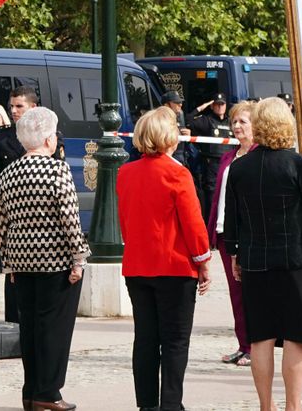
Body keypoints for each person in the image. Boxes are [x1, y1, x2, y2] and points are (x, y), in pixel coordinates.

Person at [222, 97, 302, 411]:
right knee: (295, 337)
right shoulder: (300, 165)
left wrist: (234, 253)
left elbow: (233, 217)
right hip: (297, 262)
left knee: (260, 337)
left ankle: (265, 405)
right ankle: (293, 406)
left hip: (256, 261)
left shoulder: (239, 167)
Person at [118, 107, 213, 411]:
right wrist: (203, 260)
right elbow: (193, 223)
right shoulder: (177, 173)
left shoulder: (125, 172)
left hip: (138, 265)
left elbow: (125, 219)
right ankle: (171, 404)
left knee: (145, 339)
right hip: (174, 265)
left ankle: (146, 404)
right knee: (174, 341)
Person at [0, 106, 87, 411]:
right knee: (55, 329)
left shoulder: (8, 173)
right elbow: (70, 220)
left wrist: (8, 262)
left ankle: (31, 390)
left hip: (21, 260)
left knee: (30, 328)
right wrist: (78, 259)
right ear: (49, 139)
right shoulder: (57, 171)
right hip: (55, 261)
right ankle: (49, 392)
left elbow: (2, 222)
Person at [207, 100, 256, 366]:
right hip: (227, 233)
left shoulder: (259, 155)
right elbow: (219, 197)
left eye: (242, 122)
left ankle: (255, 346)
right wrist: (214, 229)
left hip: (250, 235)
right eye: (234, 122)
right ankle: (243, 343)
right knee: (236, 292)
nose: (236, 126)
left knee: (251, 293)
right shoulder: (229, 156)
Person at [187, 94, 231, 211]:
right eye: (217, 104)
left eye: (222, 104)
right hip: (212, 164)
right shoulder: (207, 120)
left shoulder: (231, 122)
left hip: (228, 163)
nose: (220, 107)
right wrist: (203, 106)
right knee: (212, 197)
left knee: (228, 194)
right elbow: (189, 119)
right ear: (212, 106)